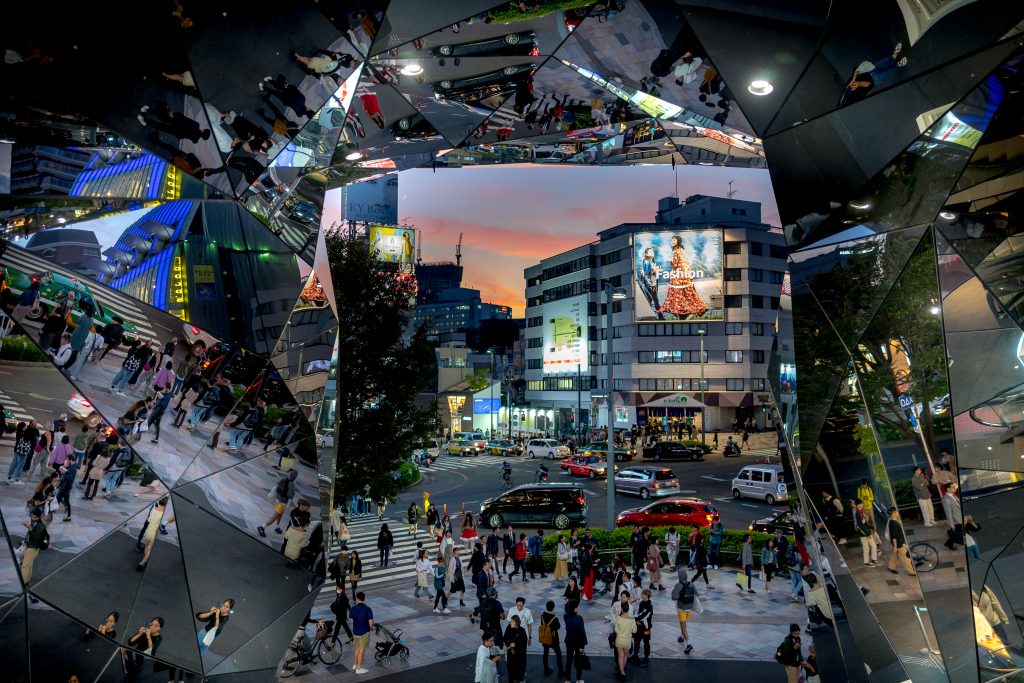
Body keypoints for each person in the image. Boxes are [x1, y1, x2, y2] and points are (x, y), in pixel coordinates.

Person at [258, 469, 297, 537]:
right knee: (275, 516)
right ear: (295, 476)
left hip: (278, 499)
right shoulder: (291, 484)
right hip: (283, 503)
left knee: (280, 514)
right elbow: (290, 495)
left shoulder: (285, 478)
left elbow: (277, 485)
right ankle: (262, 527)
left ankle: (277, 527)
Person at [137, 497, 168, 571]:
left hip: (148, 531)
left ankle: (145, 561)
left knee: (146, 546)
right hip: (154, 533)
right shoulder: (162, 513)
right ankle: (142, 563)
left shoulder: (154, 510)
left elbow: (148, 520)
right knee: (150, 549)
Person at [885, 507, 917, 576]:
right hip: (899, 543)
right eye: (896, 512)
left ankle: (891, 567)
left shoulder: (891, 520)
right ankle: (911, 572)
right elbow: (894, 537)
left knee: (895, 554)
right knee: (906, 557)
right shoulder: (894, 524)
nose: (898, 513)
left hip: (899, 542)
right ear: (893, 513)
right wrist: (895, 547)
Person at [613, 591, 637, 680]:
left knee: (620, 655)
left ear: (622, 610)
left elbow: (616, 630)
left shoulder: (618, 618)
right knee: (625, 655)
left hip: (619, 639)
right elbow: (634, 630)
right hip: (627, 640)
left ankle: (622, 671)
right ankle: (623, 670)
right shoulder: (632, 620)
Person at [20, 507, 47, 584]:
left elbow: (36, 538)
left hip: (33, 548)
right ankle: (26, 580)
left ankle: (23, 583)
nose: (33, 518)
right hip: (30, 546)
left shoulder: (40, 526)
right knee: (29, 564)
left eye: (35, 517)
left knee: (25, 566)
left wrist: (30, 529)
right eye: (32, 516)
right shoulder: (35, 523)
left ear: (39, 517)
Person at [672, 568, 696, 654]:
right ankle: (682, 637)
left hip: (681, 608)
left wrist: (679, 595)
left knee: (683, 626)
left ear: (679, 576)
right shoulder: (691, 584)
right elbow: (697, 594)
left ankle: (689, 645)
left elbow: (673, 597)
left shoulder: (678, 585)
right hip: (690, 607)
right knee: (684, 623)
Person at [349, 592, 374, 674]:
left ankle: (355, 665)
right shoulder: (368, 609)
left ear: (357, 598)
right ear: (364, 598)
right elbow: (370, 622)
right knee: (362, 650)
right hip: (364, 632)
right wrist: (372, 627)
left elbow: (352, 620)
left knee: (357, 648)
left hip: (355, 632)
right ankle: (359, 668)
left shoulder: (353, 609)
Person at [563, 600, 587, 683]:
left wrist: (568, 604)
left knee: (568, 660)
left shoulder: (565, 617)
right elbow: (581, 633)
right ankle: (578, 679)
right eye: (577, 607)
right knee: (578, 661)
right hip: (577, 643)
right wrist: (582, 646)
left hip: (569, 641)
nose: (578, 608)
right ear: (574, 609)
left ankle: (568, 679)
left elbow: (566, 609)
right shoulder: (579, 619)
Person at [539, 599, 563, 677]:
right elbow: (558, 627)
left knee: (545, 654)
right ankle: (561, 672)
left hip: (545, 638)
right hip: (553, 640)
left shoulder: (542, 615)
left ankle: (546, 670)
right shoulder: (554, 618)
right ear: (553, 608)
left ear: (546, 607)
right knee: (558, 654)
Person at [853, 499, 879, 566]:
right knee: (867, 548)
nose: (862, 505)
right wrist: (868, 533)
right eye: (861, 504)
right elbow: (861, 526)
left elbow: (864, 523)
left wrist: (871, 527)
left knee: (873, 546)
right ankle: (867, 562)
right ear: (858, 505)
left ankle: (873, 559)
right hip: (864, 534)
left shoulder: (861, 512)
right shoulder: (858, 513)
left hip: (866, 532)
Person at [631, 588, 653, 667]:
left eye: (643, 594)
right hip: (639, 626)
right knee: (637, 641)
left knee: (646, 642)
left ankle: (646, 658)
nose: (641, 595)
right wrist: (636, 621)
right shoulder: (641, 603)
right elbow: (639, 613)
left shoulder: (650, 606)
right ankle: (635, 656)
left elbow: (643, 615)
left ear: (647, 595)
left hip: (646, 628)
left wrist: (635, 619)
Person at [504, 614, 528, 683]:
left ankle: (521, 680)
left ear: (516, 623)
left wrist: (516, 645)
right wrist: (509, 644)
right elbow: (505, 638)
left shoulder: (522, 631)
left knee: (520, 670)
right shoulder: (509, 627)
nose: (510, 623)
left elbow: (524, 645)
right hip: (511, 654)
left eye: (512, 622)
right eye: (510, 621)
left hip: (519, 656)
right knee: (510, 670)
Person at [944, 483, 963, 550]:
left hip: (960, 518)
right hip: (956, 520)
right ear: (948, 489)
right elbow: (948, 512)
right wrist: (951, 524)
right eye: (953, 487)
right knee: (958, 533)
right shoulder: (946, 499)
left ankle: (948, 543)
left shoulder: (953, 495)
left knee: (955, 534)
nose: (955, 488)